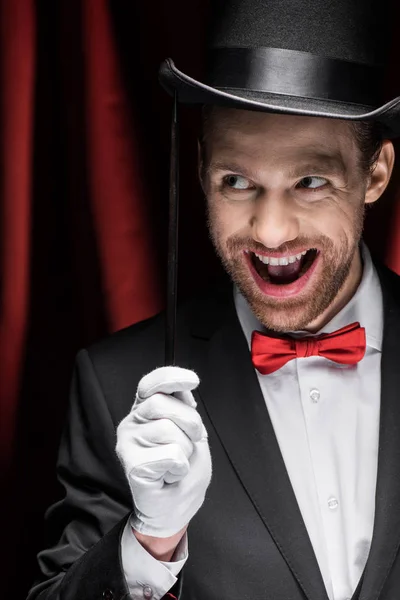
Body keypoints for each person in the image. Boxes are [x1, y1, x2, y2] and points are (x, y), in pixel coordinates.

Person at [28, 0, 400, 599]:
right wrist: (151, 539)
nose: (271, 231)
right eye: (238, 182)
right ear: (202, 172)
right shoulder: (114, 381)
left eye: (310, 182)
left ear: (375, 174)